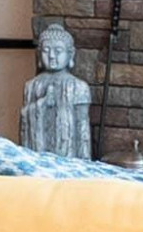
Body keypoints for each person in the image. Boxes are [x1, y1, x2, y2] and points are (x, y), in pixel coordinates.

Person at [19, 21, 93, 160]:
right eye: (46, 51)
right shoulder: (31, 86)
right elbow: (24, 125)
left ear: (70, 54)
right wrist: (41, 105)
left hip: (69, 158)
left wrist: (85, 163)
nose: (52, 56)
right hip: (36, 158)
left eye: (58, 51)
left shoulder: (79, 87)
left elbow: (83, 130)